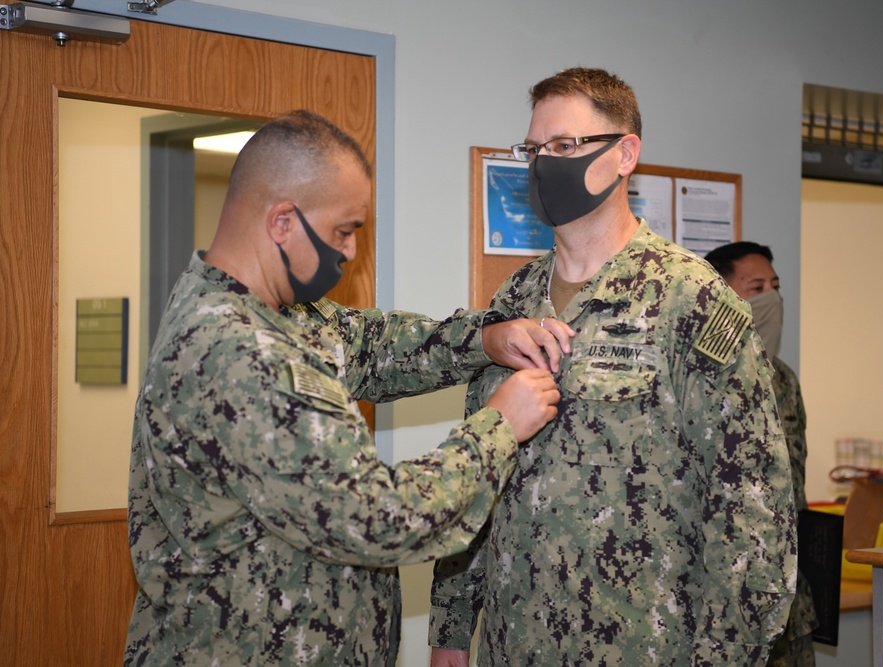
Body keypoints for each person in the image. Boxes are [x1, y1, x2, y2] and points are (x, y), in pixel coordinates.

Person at [124, 110, 574, 666]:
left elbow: (371, 346)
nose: (351, 253)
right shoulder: (240, 354)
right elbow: (381, 519)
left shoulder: (274, 312)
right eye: (343, 231)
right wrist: (499, 428)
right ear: (282, 222)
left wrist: (484, 339)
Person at [429, 68, 796, 666]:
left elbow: (753, 506)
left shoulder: (690, 299)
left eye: (565, 146)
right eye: (534, 149)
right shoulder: (512, 303)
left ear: (625, 154)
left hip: (640, 646)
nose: (544, 164)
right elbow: (481, 472)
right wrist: (449, 631)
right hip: (511, 643)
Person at [705, 241, 819, 667]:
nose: (772, 297)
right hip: (722, 604)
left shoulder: (784, 379)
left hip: (789, 599)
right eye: (757, 288)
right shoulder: (696, 379)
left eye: (776, 286)